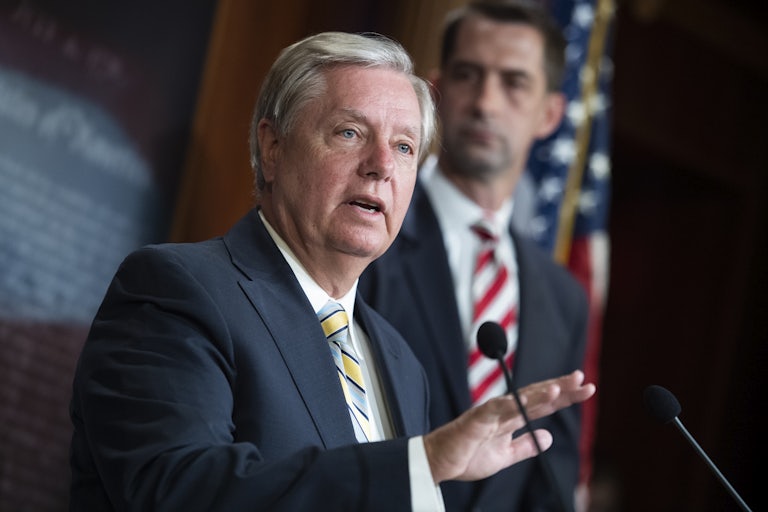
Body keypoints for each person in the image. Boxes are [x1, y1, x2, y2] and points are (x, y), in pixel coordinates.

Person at [68, 30, 595, 511]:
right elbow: (181, 490)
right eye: (349, 133)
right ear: (272, 148)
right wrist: (420, 465)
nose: (381, 166)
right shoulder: (177, 292)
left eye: (405, 147)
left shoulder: (399, 361)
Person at [359, 1, 589, 511]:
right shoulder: (370, 228)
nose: (486, 102)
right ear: (436, 92)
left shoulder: (563, 298)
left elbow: (550, 482)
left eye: (513, 82)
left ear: (550, 113)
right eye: (468, 75)